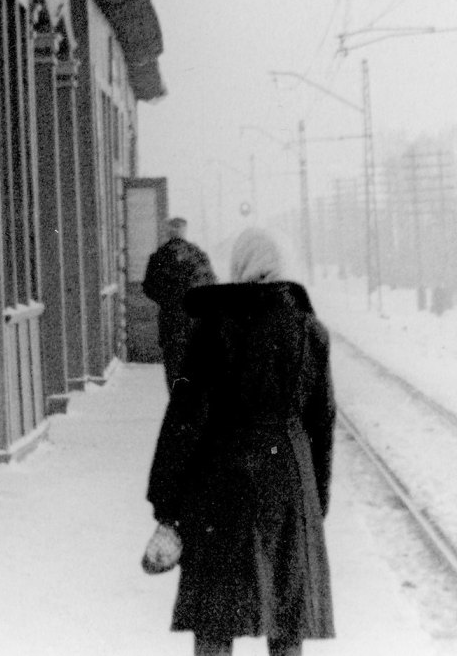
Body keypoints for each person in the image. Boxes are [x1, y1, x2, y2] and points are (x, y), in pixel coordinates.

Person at [147, 228, 335, 656]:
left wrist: (167, 502)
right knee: (288, 616)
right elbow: (321, 424)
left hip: (221, 484)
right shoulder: (310, 332)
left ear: (238, 269)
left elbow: (185, 419)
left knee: (216, 615)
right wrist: (316, 499)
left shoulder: (213, 328)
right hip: (288, 482)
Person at [143, 217, 216, 388]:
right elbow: (211, 284)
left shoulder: (158, 256)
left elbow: (149, 288)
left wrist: (167, 301)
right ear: (185, 231)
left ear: (169, 231)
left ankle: (178, 403)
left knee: (173, 366)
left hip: (170, 321)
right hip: (195, 321)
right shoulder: (198, 255)